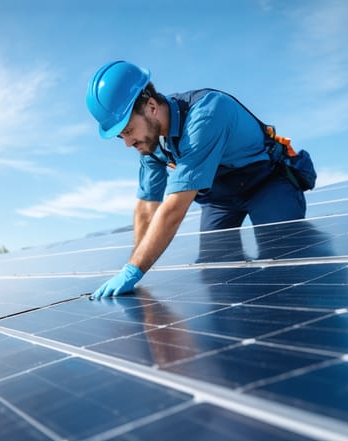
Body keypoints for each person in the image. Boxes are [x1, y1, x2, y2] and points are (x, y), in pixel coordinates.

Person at [86, 60, 308, 299]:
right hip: (220, 200)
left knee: (282, 261)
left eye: (128, 130)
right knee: (216, 272)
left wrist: (134, 271)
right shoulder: (151, 143)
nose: (128, 143)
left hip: (266, 182)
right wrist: (132, 265)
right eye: (121, 137)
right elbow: (146, 208)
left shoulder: (207, 114)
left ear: (151, 106)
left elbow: (173, 211)